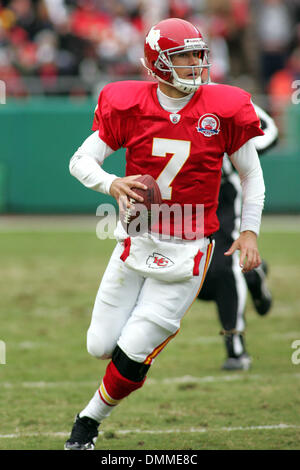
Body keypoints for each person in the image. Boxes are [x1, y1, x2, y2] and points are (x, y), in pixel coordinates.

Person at [64, 17, 265, 450]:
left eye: (199, 54)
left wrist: (248, 232)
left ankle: (86, 424)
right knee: (100, 344)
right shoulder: (128, 104)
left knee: (133, 349)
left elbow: (252, 175)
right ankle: (133, 357)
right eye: (185, 56)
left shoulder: (222, 107)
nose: (196, 64)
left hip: (190, 245)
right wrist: (110, 183)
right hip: (136, 234)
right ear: (157, 63)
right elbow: (80, 161)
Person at [197, 103, 278, 370]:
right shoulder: (157, 98)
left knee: (222, 266)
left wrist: (239, 151)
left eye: (193, 56)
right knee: (198, 279)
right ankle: (253, 275)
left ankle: (236, 349)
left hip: (222, 196)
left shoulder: (225, 99)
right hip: (181, 200)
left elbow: (270, 130)